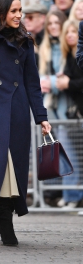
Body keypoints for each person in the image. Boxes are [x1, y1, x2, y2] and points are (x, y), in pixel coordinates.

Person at [0, 0, 51, 246]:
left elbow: (32, 82)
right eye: (13, 11)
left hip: (17, 109)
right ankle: (3, 217)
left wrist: (41, 117)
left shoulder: (25, 41)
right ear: (0, 12)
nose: (18, 15)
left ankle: (7, 216)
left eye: (20, 10)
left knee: (13, 167)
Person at [55, 19, 83, 208]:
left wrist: (68, 83)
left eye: (74, 31)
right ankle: (73, 196)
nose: (71, 35)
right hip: (74, 114)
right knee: (71, 157)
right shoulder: (69, 57)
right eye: (68, 32)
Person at [22, 3, 48, 67]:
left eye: (30, 17)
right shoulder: (29, 37)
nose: (26, 20)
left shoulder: (50, 37)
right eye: (25, 17)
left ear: (42, 18)